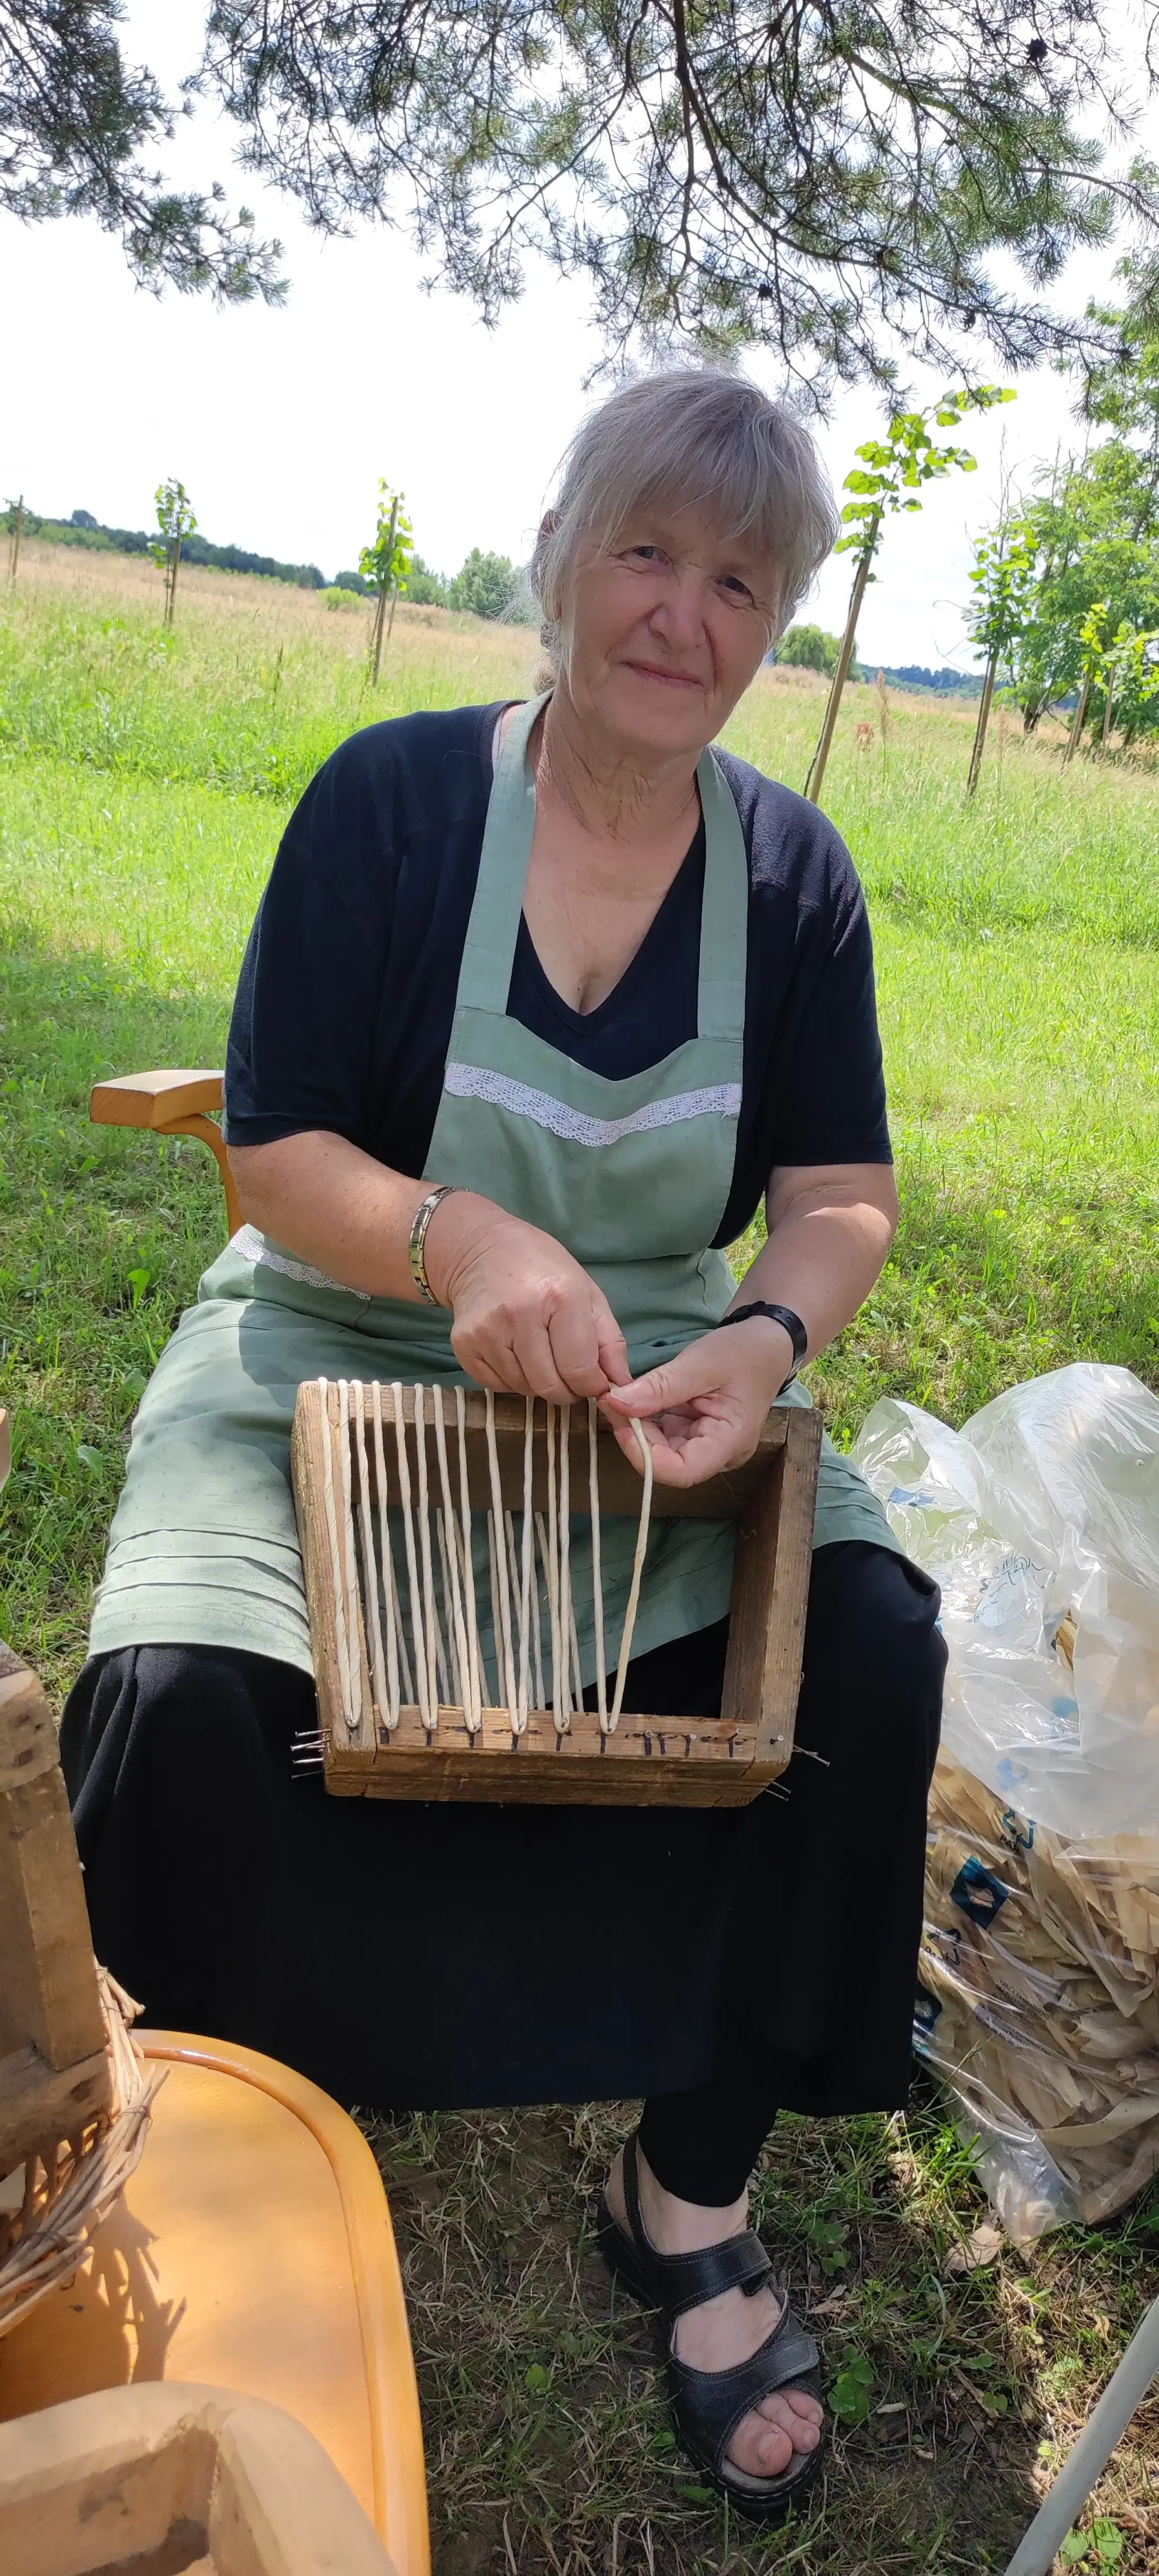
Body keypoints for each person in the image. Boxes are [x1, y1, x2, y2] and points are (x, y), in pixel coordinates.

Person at [62, 369, 945, 2521]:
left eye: (739, 580)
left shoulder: (792, 874)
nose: (683, 612)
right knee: (183, 1704)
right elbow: (275, 1153)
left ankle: (685, 2190)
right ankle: (181, 2184)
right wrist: (455, 1240)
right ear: (561, 566)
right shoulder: (389, 807)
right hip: (334, 1336)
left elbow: (836, 1200)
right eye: (647, 552)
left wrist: (759, 1330)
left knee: (869, 1645)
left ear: (776, 625)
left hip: (651, 1401)